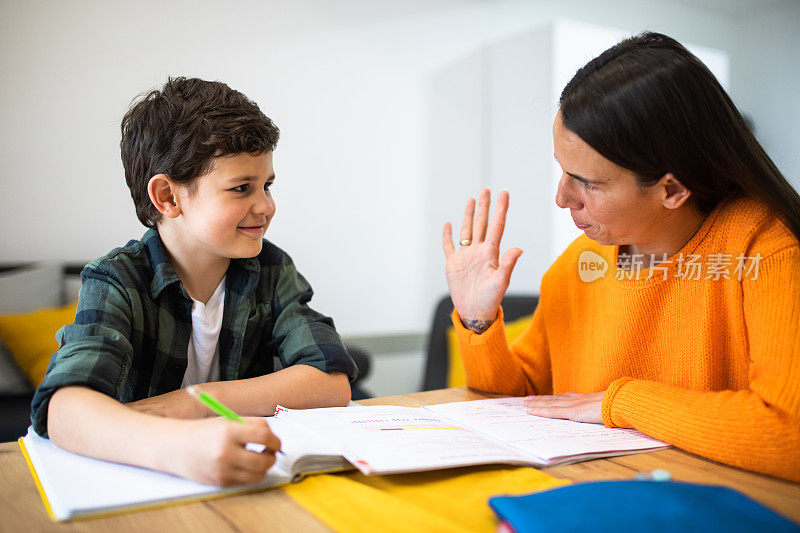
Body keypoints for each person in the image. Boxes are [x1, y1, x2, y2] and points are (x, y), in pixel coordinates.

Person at [443, 33, 800, 482]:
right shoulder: (582, 263)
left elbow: (789, 435)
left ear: (672, 189)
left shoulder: (766, 249)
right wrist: (478, 322)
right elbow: (524, 398)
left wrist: (621, 402)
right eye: (561, 170)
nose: (561, 198)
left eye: (586, 182)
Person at [30, 77, 357, 486]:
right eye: (242, 188)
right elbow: (64, 409)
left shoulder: (272, 269)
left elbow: (331, 381)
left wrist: (197, 403)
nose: (267, 206)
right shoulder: (117, 279)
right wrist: (180, 445)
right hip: (142, 480)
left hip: (245, 479)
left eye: (267, 185)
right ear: (167, 197)